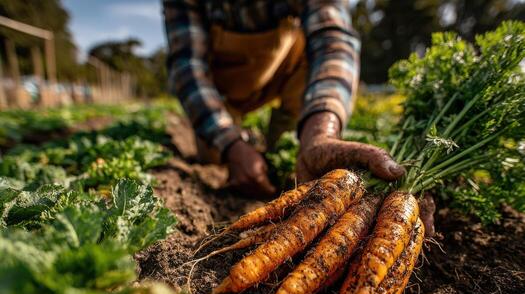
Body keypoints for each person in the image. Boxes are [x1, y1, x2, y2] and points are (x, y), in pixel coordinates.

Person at [163, 0, 434, 234]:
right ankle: (245, 143)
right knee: (211, 157)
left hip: (287, 73)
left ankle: (285, 145)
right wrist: (231, 145)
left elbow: (333, 40)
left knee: (300, 158)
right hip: (223, 89)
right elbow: (188, 67)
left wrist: (319, 135)